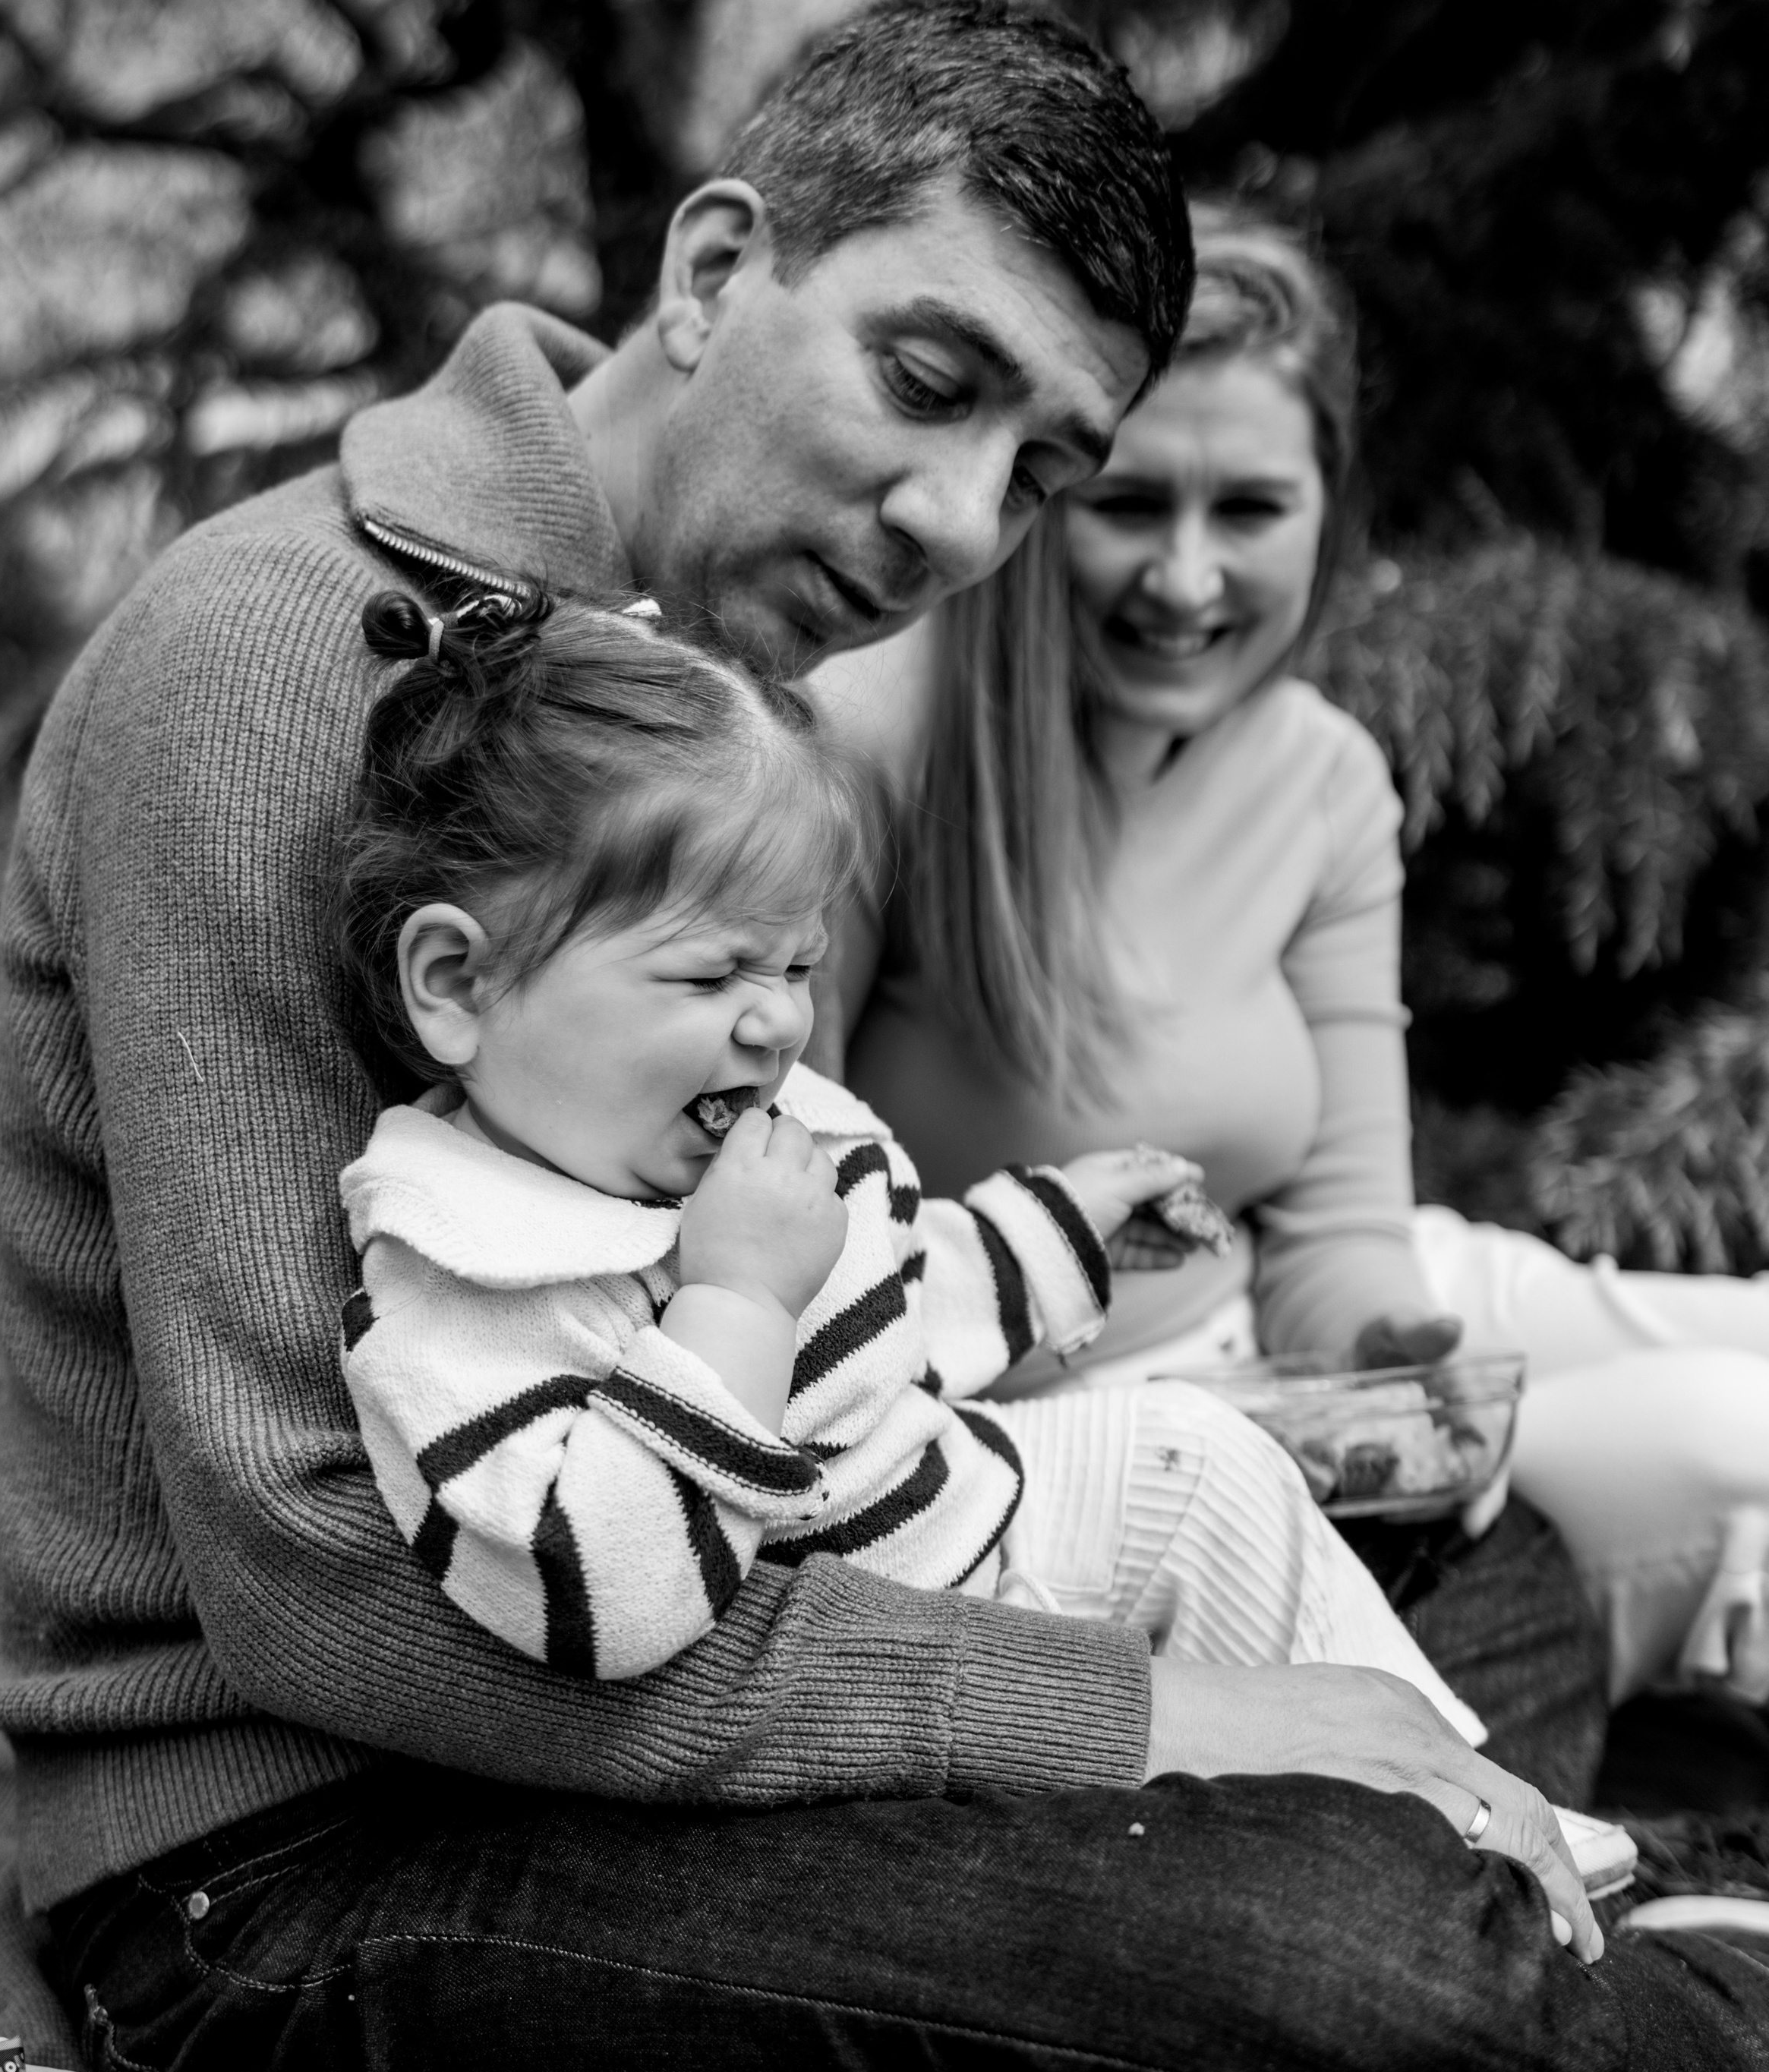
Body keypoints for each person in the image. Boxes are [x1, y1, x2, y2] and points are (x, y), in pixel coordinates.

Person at [0, 0, 1769, 2072]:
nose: (957, 526)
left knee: (1409, 1681)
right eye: (931, 380)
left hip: (675, 1701)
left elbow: (840, 1299)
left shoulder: (703, 698)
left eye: (1038, 466)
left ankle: (1597, 2022)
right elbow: (332, 1612)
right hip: (303, 1861)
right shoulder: (279, 665)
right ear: (713, 268)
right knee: (1356, 1958)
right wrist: (1131, 1718)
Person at [831, 195, 1769, 1753]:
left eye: (1248, 508)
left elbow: (1337, 1229)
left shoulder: (1321, 772)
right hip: (1086, 1415)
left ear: (1325, 510)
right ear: (1039, 486)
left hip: (1304, 1335)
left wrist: (1391, 1353)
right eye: (1129, 504)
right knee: (1729, 1440)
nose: (1184, 579)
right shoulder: (887, 745)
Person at [333, 581, 1496, 1748]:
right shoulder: (466, 1270)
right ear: (456, 984)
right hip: (909, 1675)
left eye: (798, 969)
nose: (777, 1024)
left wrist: (1055, 1230)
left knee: (1205, 1460)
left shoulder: (741, 1131)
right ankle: (1419, 1823)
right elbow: (602, 1596)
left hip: (977, 1516)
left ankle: (1464, 1785)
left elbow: (885, 1287)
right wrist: (735, 1304)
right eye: (710, 975)